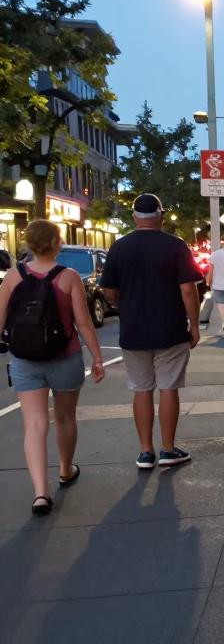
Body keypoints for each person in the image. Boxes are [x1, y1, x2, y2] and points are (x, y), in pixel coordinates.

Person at [0, 219, 105, 514]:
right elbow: (83, 322)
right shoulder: (69, 277)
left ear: (29, 244)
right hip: (65, 356)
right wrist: (97, 358)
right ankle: (65, 469)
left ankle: (40, 493)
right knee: (65, 417)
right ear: (57, 242)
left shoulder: (12, 276)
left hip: (24, 360)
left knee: (33, 424)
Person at [100, 193, 202, 468]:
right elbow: (188, 290)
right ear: (161, 216)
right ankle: (168, 449)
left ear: (134, 217)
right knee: (168, 388)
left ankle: (146, 452)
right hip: (170, 327)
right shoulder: (176, 246)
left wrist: (121, 303)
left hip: (133, 329)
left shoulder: (119, 248)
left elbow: (108, 290)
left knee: (141, 389)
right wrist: (194, 324)